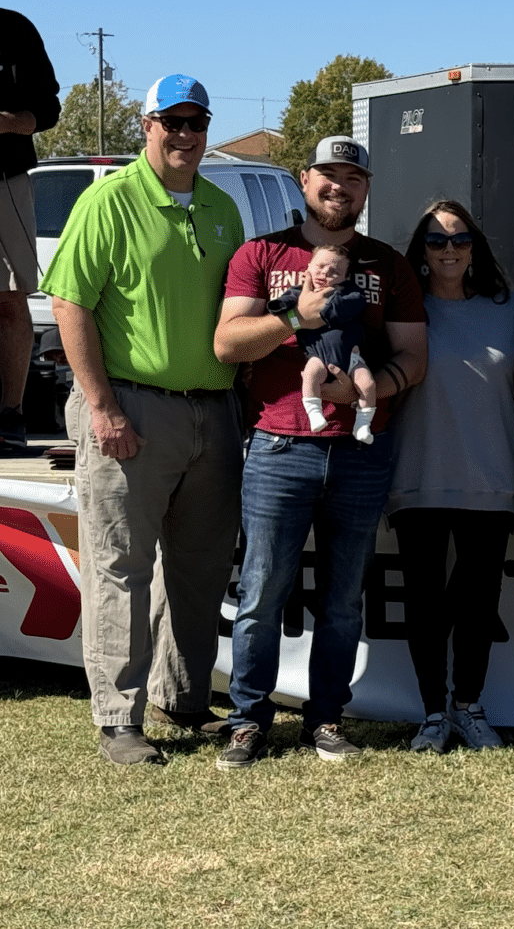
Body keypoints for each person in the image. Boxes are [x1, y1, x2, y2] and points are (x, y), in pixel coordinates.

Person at [41, 74, 243, 765]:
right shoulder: (109, 201)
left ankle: (182, 699)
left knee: (200, 568)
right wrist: (101, 407)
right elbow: (69, 304)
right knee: (121, 566)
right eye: (171, 122)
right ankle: (118, 720)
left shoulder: (221, 206)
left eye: (196, 122)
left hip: (212, 409)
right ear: (147, 125)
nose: (185, 134)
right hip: (131, 407)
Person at [213, 135, 426, 769]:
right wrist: (294, 318)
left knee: (342, 600)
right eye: (328, 175)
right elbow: (227, 344)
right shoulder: (261, 253)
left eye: (353, 178)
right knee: (262, 593)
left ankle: (326, 717)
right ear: (304, 180)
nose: (340, 187)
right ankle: (248, 721)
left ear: (366, 189)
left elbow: (414, 358)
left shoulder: (388, 265)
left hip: (360, 451)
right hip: (279, 446)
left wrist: (364, 389)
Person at [386, 200, 514, 753]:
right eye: (436, 239)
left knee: (477, 601)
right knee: (423, 601)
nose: (449, 249)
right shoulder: (402, 310)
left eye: (460, 239)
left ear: (476, 247)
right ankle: (432, 714)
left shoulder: (508, 309)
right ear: (420, 251)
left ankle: (468, 706)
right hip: (417, 472)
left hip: (492, 476)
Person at [1, 9, 61, 450]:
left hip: (4, 178)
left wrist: (9, 122)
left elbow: (48, 109)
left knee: (8, 299)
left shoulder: (15, 30)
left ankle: (10, 414)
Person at [267, 243, 378, 443]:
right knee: (310, 376)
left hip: (351, 358)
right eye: (320, 266)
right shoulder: (301, 293)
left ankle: (362, 425)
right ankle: (314, 413)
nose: (325, 273)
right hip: (317, 356)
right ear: (308, 267)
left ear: (345, 277)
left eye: (334, 272)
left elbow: (355, 302)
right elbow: (287, 300)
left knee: (368, 384)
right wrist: (280, 306)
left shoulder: (347, 292)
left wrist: (325, 311)